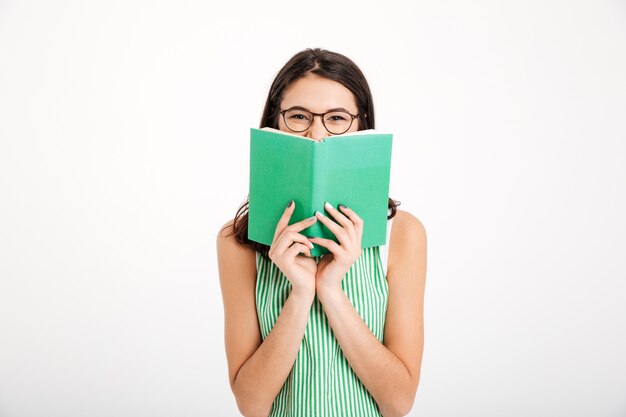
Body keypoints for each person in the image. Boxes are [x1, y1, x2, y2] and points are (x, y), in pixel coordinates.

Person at [216, 48, 427, 417]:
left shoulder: (403, 235)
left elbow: (399, 402)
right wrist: (300, 294)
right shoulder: (237, 242)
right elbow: (251, 404)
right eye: (298, 116)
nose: (316, 134)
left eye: (337, 118)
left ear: (361, 125)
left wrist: (330, 290)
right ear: (274, 123)